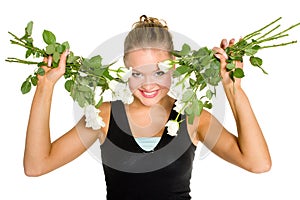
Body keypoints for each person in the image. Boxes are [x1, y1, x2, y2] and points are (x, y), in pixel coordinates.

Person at [23, 15, 271, 200]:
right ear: (124, 70)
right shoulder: (105, 116)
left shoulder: (193, 117)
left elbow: (258, 163)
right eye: (137, 73)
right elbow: (36, 166)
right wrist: (45, 86)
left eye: (159, 72)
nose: (148, 84)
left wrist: (232, 88)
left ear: (175, 66)